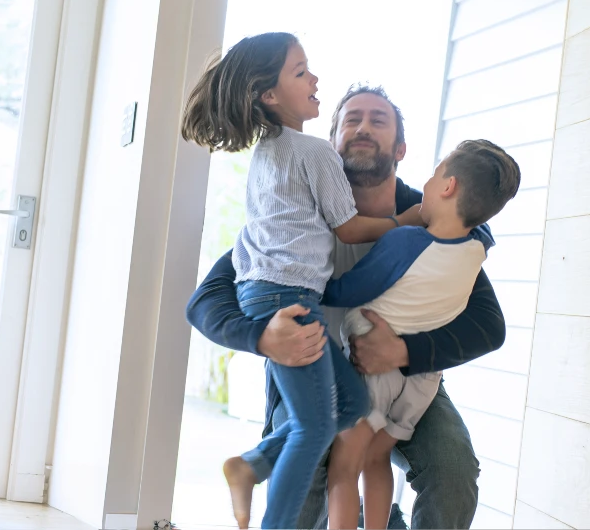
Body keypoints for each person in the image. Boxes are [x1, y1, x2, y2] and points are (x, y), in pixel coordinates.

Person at [186, 85, 507, 529]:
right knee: (307, 462)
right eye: (351, 120)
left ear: (400, 148)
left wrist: (404, 351)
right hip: (314, 369)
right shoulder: (289, 218)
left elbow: (489, 327)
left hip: (406, 376)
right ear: (330, 145)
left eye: (378, 120)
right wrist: (259, 336)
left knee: (453, 470)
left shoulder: (432, 222)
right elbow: (205, 300)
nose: (362, 127)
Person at [179, 33, 424, 530]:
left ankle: (255, 463)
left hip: (271, 291)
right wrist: (406, 223)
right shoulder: (314, 154)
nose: (315, 80)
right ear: (269, 96)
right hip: (289, 300)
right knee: (313, 429)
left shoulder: (269, 151)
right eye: (301, 72)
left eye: (377, 120)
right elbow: (349, 228)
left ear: (399, 146)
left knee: (351, 403)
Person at [323, 140, 519, 528]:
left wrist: (315, 289)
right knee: (376, 458)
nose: (428, 183)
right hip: (420, 385)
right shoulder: (478, 246)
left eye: (435, 175)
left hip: (373, 371)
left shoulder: (408, 236)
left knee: (344, 468)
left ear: (447, 186)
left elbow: (352, 290)